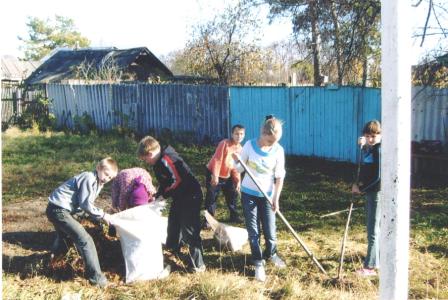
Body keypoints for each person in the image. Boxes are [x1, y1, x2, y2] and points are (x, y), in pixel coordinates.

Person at [46, 157, 118, 288]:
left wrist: (98, 218)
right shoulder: (89, 178)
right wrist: (103, 215)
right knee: (85, 240)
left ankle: (53, 263)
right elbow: (85, 204)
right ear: (98, 168)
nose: (107, 179)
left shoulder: (98, 183)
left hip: (60, 209)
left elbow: (83, 206)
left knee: (65, 236)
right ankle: (97, 280)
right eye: (106, 174)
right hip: (58, 209)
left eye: (110, 178)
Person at [137, 136, 206, 272]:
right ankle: (173, 251)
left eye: (146, 159)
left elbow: (177, 180)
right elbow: (166, 181)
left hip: (191, 195)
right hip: (180, 196)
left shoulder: (166, 159)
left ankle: (198, 265)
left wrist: (164, 195)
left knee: (189, 230)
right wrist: (158, 195)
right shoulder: (158, 161)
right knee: (173, 223)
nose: (147, 162)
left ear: (150, 153)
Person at [233, 115, 286, 282]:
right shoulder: (248, 145)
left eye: (275, 141)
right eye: (270, 141)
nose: (272, 144)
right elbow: (240, 169)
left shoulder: (278, 150)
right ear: (263, 133)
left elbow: (279, 177)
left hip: (268, 196)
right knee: (253, 230)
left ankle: (271, 254)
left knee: (270, 230)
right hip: (249, 194)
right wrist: (237, 161)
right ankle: (258, 262)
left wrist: (276, 199)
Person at [352, 120, 382, 276]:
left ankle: (370, 267)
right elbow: (367, 169)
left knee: (373, 230)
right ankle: (378, 260)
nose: (371, 139)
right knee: (375, 228)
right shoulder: (371, 149)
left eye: (374, 136)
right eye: (368, 136)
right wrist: (363, 147)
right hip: (370, 192)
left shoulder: (379, 150)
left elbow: (378, 177)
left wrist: (361, 189)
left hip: (376, 193)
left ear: (380, 136)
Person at [204, 124, 245, 227]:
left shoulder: (241, 148)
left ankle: (234, 216)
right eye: (236, 134)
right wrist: (215, 176)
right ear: (232, 134)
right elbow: (217, 160)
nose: (239, 136)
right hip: (214, 172)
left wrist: (237, 181)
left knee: (233, 195)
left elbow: (236, 167)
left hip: (228, 175)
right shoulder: (224, 144)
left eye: (241, 134)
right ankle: (208, 220)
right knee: (212, 197)